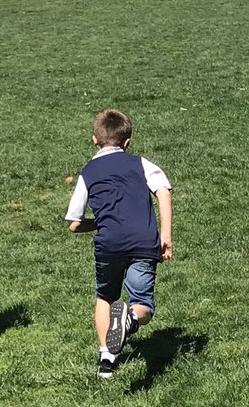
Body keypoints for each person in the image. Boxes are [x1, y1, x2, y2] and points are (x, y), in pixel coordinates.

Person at [66, 109, 173, 379]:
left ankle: (107, 360)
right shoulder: (140, 163)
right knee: (143, 303)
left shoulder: (88, 172)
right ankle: (131, 319)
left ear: (94, 140)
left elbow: (74, 222)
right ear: (127, 142)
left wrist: (99, 223)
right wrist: (166, 234)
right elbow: (163, 190)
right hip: (143, 241)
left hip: (109, 244)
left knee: (105, 296)